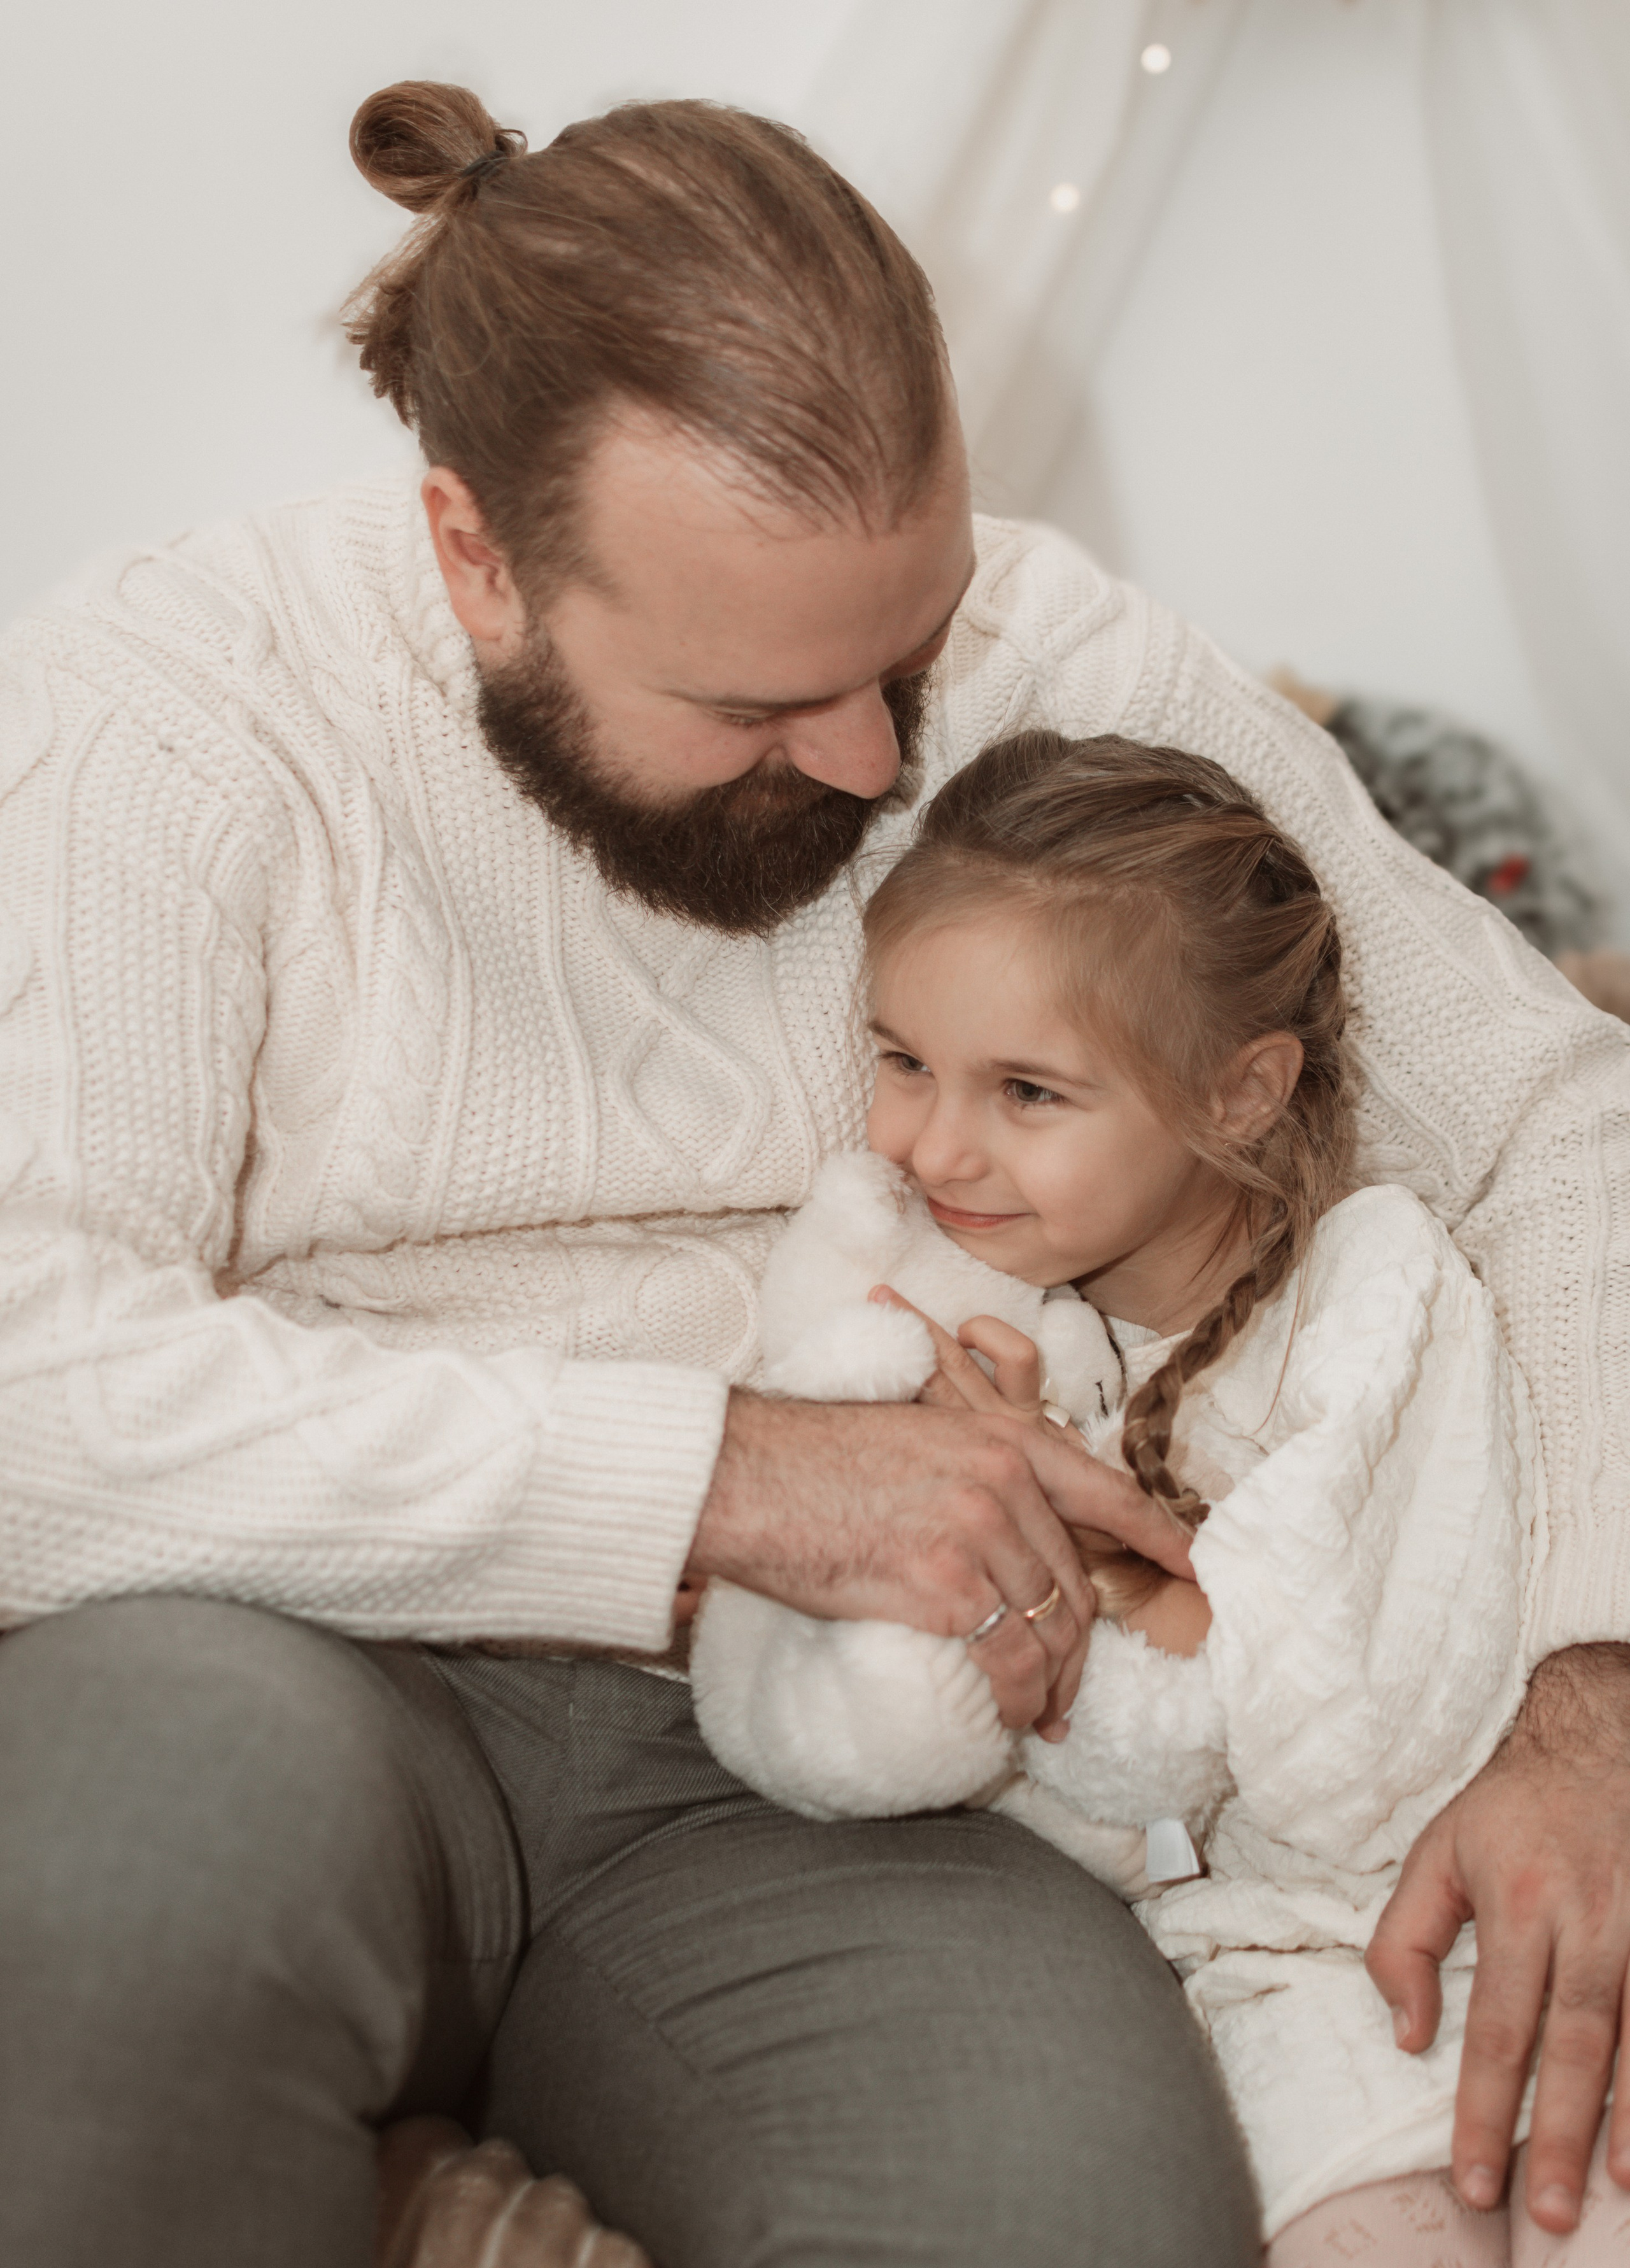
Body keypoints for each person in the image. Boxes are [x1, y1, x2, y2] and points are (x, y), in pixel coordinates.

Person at [0, 76, 1626, 2268]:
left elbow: (1552, 1110)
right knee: (109, 1921)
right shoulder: (172, 713)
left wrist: (1594, 1695)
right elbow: (32, 1385)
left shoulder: (1053, 652)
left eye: (909, 655)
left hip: (833, 1762)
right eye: (765, 706)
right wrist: (732, 1478)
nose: (876, 765)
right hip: (273, 1648)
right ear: (478, 553)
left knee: (1073, 2217)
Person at [689, 731, 1584, 2262]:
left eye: (1027, 1089)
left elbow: (1346, 1727)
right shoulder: (1010, 1322)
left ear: (1240, 1093)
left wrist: (1072, 1547)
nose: (929, 1143)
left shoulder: (1375, 1295)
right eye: (903, 1059)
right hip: (1229, 1981)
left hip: (1435, 1918)